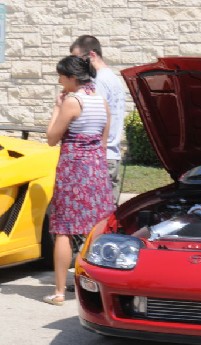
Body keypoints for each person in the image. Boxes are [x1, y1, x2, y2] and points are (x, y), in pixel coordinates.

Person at [43, 55, 115, 306]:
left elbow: (52, 137)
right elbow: (103, 140)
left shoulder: (72, 101)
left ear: (72, 78)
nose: (59, 80)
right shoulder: (100, 100)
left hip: (73, 167)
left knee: (63, 228)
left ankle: (60, 291)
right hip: (95, 167)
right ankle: (92, 285)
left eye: (61, 76)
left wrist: (56, 106)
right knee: (95, 226)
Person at [70, 35, 126, 206]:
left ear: (92, 55)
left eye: (79, 60)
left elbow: (94, 119)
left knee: (94, 217)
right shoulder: (112, 78)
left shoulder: (98, 81)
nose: (77, 66)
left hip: (99, 156)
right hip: (111, 154)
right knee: (108, 216)